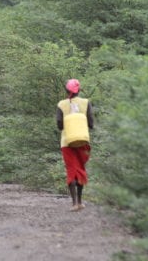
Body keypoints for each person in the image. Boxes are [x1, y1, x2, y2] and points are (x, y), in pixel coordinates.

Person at [56, 79, 94, 211]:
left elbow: (60, 125)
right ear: (79, 90)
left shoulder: (61, 104)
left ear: (67, 91)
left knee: (72, 170)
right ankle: (80, 201)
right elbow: (91, 124)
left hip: (67, 142)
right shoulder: (86, 103)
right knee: (80, 169)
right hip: (83, 142)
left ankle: (74, 204)